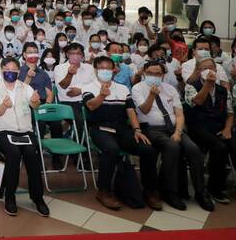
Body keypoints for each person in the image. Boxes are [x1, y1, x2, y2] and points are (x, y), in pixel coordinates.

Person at [131, 60, 214, 211]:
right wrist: (151, 94)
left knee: (193, 150)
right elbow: (144, 110)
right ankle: (170, 191)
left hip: (174, 128)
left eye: (157, 74)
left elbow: (180, 114)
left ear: (163, 75)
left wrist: (177, 131)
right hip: (151, 129)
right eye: (150, 73)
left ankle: (201, 192)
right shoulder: (138, 88)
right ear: (144, 73)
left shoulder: (170, 89)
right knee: (172, 146)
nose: (153, 76)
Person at [82, 56, 162, 210]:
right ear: (95, 70)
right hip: (100, 129)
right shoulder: (88, 87)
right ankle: (104, 191)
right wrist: (102, 95)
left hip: (122, 129)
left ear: (114, 70)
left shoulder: (123, 88)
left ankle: (150, 191)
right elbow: (91, 106)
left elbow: (131, 111)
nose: (105, 71)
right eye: (101, 68)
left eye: (108, 68)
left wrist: (137, 130)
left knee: (147, 149)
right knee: (111, 149)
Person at [0, 57, 49, 217]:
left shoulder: (25, 87)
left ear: (19, 71)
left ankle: (37, 198)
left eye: (14, 69)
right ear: (2, 70)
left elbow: (35, 105)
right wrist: (4, 106)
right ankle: (10, 197)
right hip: (3, 131)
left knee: (31, 154)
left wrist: (36, 102)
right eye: (8, 69)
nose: (11, 72)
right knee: (13, 154)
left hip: (25, 131)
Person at [183, 57, 236, 204]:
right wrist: (208, 84)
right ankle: (215, 189)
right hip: (199, 126)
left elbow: (230, 113)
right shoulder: (191, 86)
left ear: (216, 70)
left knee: (233, 144)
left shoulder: (222, 90)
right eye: (204, 68)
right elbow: (198, 101)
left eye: (211, 68)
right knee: (220, 147)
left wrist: (227, 129)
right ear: (199, 71)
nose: (208, 71)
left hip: (220, 126)